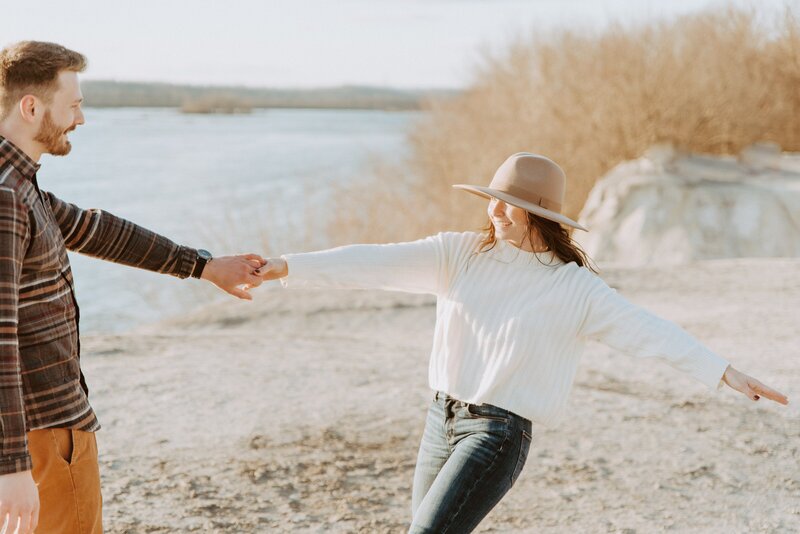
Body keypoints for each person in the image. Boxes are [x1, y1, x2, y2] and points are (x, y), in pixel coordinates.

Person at [256, 152, 789, 533]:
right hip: (438, 422)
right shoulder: (460, 254)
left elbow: (648, 332)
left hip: (497, 435)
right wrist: (288, 266)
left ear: (540, 214)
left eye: (510, 203)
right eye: (493, 199)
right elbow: (374, 260)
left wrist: (721, 371)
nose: (495, 210)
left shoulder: (574, 288)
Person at [0, 41, 266, 533]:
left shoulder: (20, 185)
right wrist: (12, 464)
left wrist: (203, 267)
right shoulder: (7, 198)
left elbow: (97, 230)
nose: (80, 119)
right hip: (43, 436)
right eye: (74, 104)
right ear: (31, 107)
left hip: (39, 432)